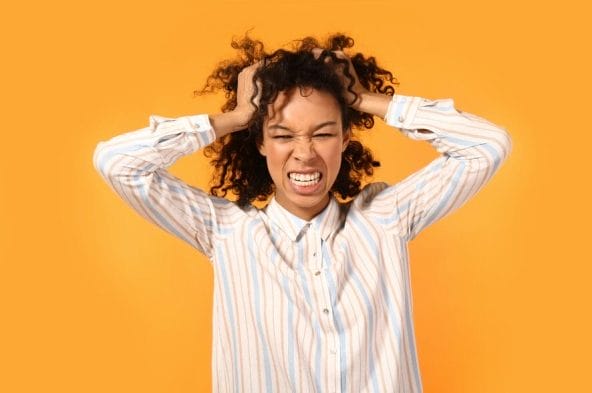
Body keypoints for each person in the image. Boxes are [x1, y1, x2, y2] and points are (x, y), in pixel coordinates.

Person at [93, 33, 512, 393]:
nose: (305, 154)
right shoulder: (226, 233)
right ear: (259, 142)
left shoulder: (386, 219)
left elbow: (487, 145)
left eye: (324, 133)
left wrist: (364, 99)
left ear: (346, 138)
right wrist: (236, 117)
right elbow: (117, 163)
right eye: (282, 135)